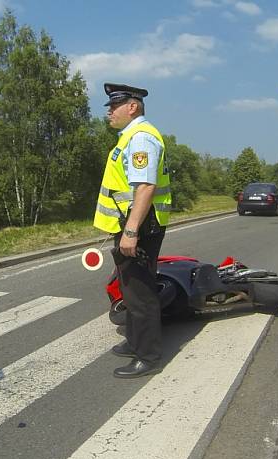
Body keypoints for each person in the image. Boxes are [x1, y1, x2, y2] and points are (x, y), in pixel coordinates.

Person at [93, 83, 172, 378]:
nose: (109, 112)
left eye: (114, 106)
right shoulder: (130, 138)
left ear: (132, 107)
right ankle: (136, 340)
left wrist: (131, 231)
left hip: (139, 225)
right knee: (130, 287)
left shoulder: (140, 139)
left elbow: (145, 187)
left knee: (139, 292)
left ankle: (148, 356)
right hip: (132, 223)